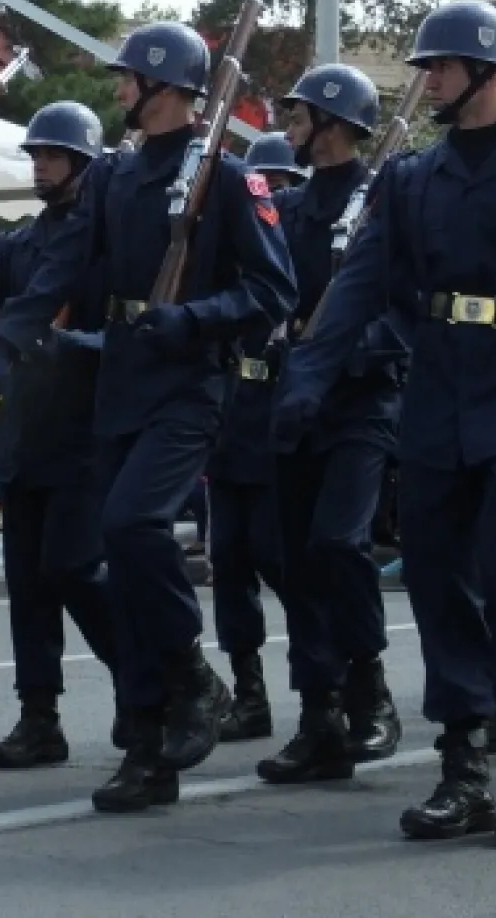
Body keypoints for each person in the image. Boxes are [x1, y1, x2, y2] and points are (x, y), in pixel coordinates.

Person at [276, 0, 496, 846]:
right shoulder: (411, 178)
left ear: (489, 75)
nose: (428, 79)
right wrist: (307, 376)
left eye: (441, 67)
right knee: (437, 578)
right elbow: (361, 282)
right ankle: (463, 764)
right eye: (426, 67)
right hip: (438, 393)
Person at [0, 22, 298, 813]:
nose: (118, 88)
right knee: (118, 560)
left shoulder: (227, 179)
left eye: (129, 77)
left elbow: (273, 292)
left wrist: (190, 319)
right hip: (119, 380)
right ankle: (149, 747)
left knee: (133, 526)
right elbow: (62, 264)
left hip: (187, 383)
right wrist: (7, 341)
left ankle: (189, 671)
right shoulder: (115, 178)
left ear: (166, 87)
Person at [0, 101, 120, 768]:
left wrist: (73, 345)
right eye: (37, 155)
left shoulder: (110, 246)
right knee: (28, 585)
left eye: (54, 155)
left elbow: (128, 327)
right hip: (25, 432)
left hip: (87, 428)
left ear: (84, 164)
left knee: (74, 569)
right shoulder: (16, 246)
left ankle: (146, 681)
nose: (41, 165)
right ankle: (38, 716)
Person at [257, 66, 408, 783]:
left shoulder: (383, 202)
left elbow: (403, 306)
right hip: (295, 401)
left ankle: (369, 689)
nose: (291, 124)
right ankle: (318, 712)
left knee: (339, 543)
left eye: (304, 113)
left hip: (360, 401)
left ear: (338, 124)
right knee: (295, 559)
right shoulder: (289, 209)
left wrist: (351, 348)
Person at [206, 132, 300, 744]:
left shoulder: (308, 253)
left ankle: (330, 679)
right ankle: (249, 692)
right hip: (232, 416)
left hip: (282, 419)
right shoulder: (228, 257)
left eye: (282, 187)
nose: (272, 201)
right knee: (231, 562)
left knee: (279, 558)